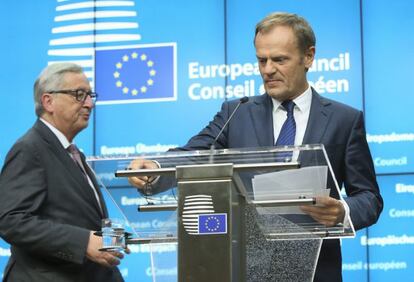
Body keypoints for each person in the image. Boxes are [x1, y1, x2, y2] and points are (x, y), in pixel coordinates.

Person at [128, 12, 383, 281]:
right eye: (262, 60)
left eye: (279, 59)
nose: (267, 69)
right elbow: (195, 154)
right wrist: (156, 167)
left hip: (317, 270)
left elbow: (369, 197)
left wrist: (342, 211)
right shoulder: (236, 113)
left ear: (308, 56)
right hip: (246, 269)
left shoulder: (344, 119)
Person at [0, 63, 127, 281]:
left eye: (90, 95)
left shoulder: (72, 152)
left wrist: (110, 240)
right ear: (48, 101)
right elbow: (11, 221)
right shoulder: (29, 148)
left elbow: (74, 216)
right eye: (79, 95)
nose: (89, 103)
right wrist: (83, 242)